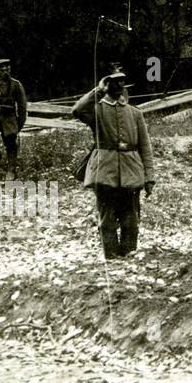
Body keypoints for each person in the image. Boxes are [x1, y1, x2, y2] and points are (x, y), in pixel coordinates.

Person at [71, 71, 154, 260]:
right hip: (104, 169)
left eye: (122, 82)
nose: (118, 86)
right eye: (113, 82)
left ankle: (129, 252)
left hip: (131, 169)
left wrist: (149, 177)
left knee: (131, 214)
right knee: (107, 214)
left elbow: (145, 147)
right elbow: (77, 110)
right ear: (107, 85)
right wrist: (97, 91)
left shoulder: (135, 113)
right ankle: (111, 254)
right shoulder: (97, 110)